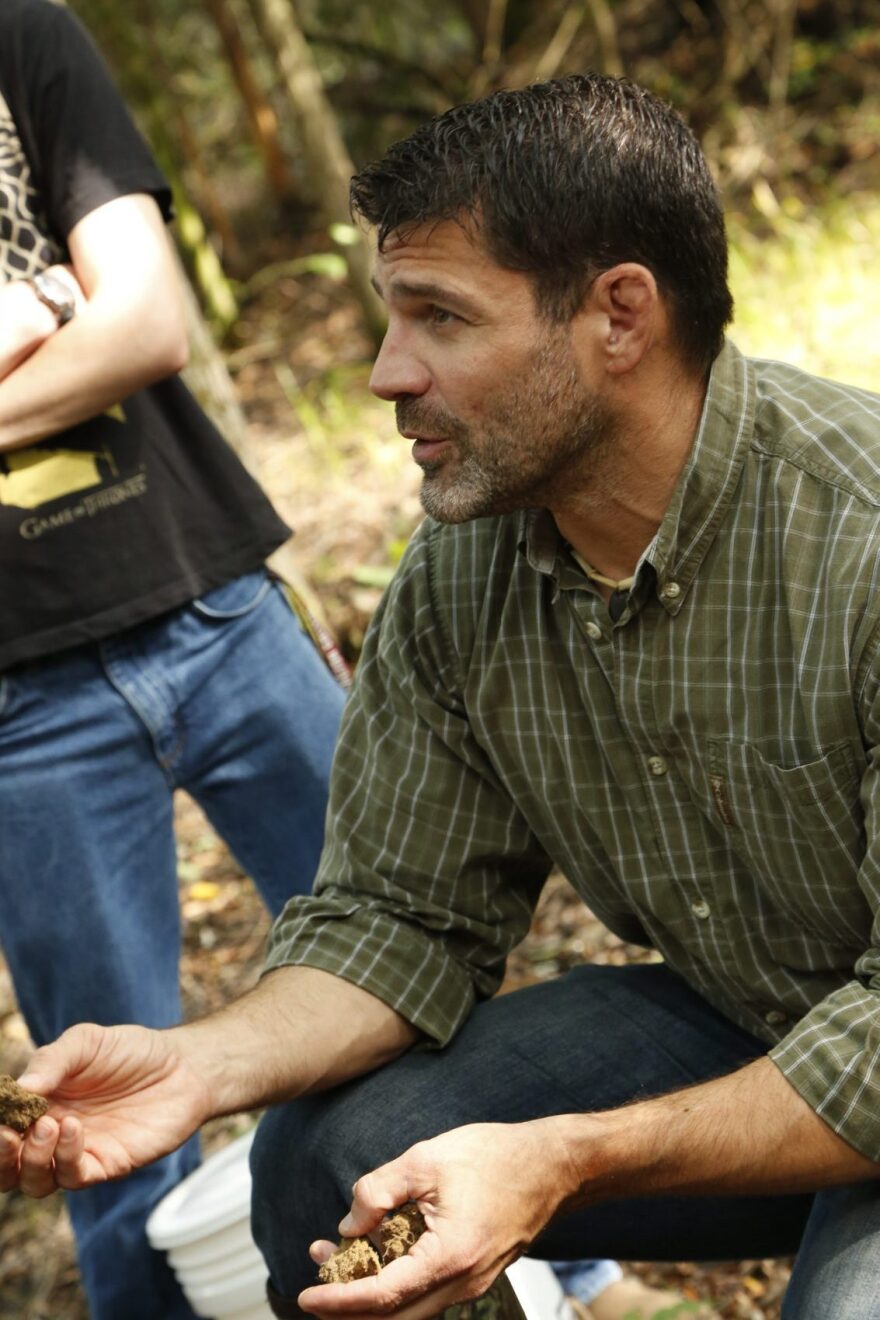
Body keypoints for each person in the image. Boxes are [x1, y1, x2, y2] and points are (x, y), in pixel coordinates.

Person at [3, 71, 880, 1320]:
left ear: (618, 315)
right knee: (327, 1163)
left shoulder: (858, 538)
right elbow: (395, 917)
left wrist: (566, 1157)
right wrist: (198, 1068)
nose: (383, 373)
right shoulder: (470, 570)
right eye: (387, 315)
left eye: (439, 318)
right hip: (755, 1027)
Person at [0, 2, 345, 1318]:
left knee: (421, 967)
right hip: (17, 705)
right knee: (103, 1130)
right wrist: (40, 310)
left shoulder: (21, 38)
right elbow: (81, 316)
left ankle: (577, 1278)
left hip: (211, 602)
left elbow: (144, 325)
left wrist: (66, 316)